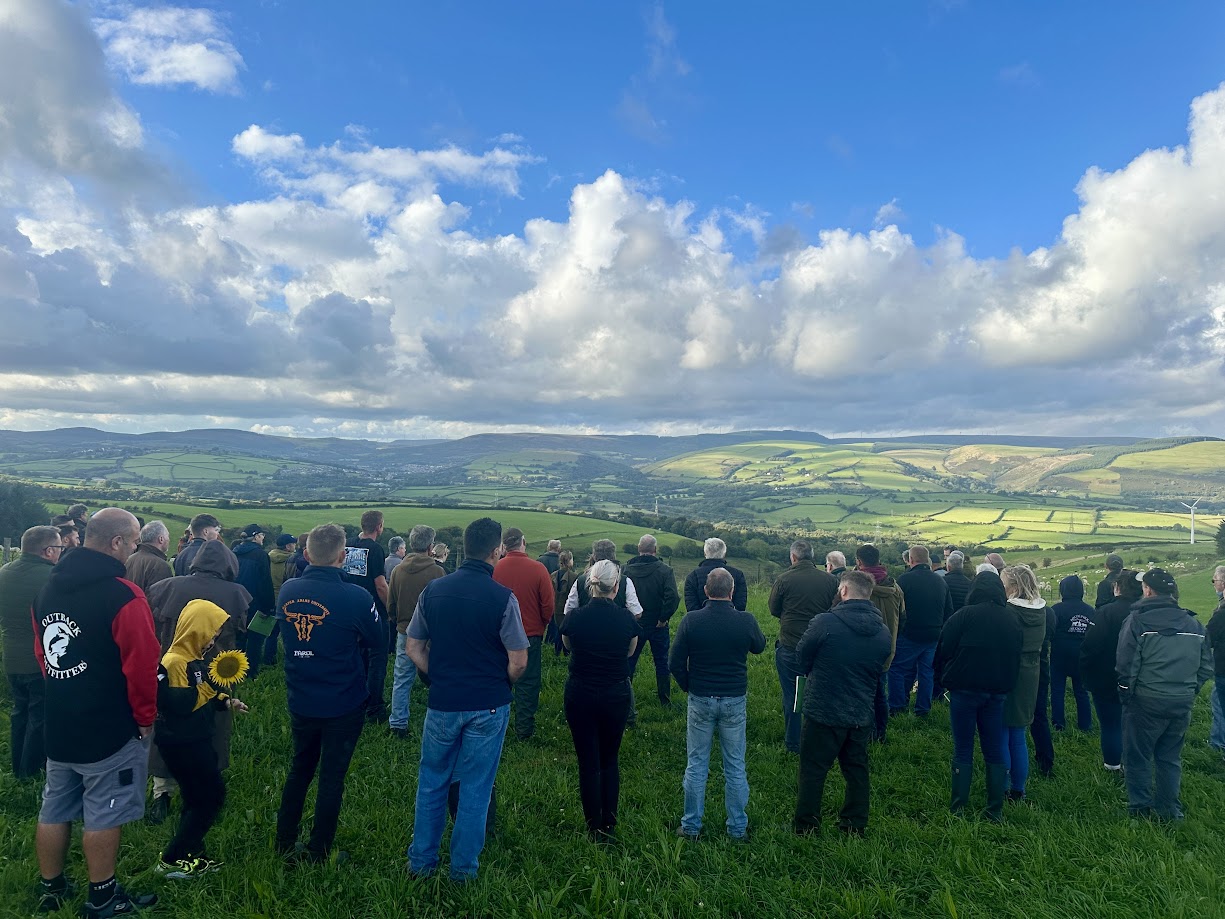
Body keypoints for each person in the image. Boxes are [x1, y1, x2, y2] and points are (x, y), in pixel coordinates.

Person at [33, 508, 160, 917]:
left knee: (54, 805)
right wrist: (144, 718)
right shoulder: (123, 595)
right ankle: (102, 897)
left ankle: (50, 888)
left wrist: (66, 686)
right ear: (117, 543)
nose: (137, 546)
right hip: (109, 725)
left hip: (60, 716)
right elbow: (141, 666)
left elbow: (43, 654)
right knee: (104, 810)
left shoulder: (47, 589)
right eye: (135, 540)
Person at [406, 517, 529, 881]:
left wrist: (438, 674)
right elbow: (519, 659)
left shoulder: (433, 591)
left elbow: (413, 646)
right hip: (488, 703)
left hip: (443, 701)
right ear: (496, 552)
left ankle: (421, 864)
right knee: (476, 787)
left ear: (463, 547)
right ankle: (462, 871)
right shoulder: (503, 598)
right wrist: (499, 681)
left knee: (432, 782)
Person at [275, 524, 384, 862]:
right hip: (343, 699)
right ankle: (319, 849)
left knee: (300, 769)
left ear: (306, 554)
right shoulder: (356, 597)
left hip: (301, 695)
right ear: (342, 556)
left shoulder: (289, 590)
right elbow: (379, 642)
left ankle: (283, 842)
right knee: (332, 776)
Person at [144, 540, 250, 824]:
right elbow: (241, 634)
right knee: (210, 730)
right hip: (213, 675)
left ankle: (161, 794)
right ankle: (203, 792)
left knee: (166, 726)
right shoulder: (236, 593)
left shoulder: (167, 586)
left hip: (171, 669)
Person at [153, 600, 249, 879]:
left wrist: (225, 701)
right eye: (210, 634)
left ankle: (191, 854)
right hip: (182, 743)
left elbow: (202, 693)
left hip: (195, 739)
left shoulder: (193, 661)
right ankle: (172, 859)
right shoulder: (173, 662)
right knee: (211, 797)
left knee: (196, 799)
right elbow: (180, 703)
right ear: (195, 630)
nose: (212, 641)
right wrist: (210, 691)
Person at [670, 568, 766, 842]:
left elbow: (674, 662)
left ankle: (690, 827)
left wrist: (689, 684)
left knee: (697, 763)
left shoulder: (692, 620)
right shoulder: (744, 620)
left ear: (706, 590)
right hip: (734, 697)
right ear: (732, 591)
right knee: (735, 764)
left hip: (701, 696)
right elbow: (759, 646)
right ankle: (737, 828)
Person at [793, 571, 892, 836]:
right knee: (857, 770)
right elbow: (880, 667)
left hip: (823, 708)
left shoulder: (825, 622)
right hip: (861, 711)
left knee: (813, 769)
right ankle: (854, 824)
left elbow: (801, 657)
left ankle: (806, 825)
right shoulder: (883, 631)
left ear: (844, 590)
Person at [1117, 568, 1213, 820]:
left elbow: (1126, 665)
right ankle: (1169, 810)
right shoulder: (1194, 624)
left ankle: (1140, 809)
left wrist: (1127, 695)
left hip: (1145, 702)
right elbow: (1206, 666)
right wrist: (1189, 690)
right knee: (1169, 758)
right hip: (1180, 703)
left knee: (1137, 757)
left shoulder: (1137, 621)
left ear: (1147, 590)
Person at [559, 559, 640, 840]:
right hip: (615, 693)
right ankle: (610, 821)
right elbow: (630, 653)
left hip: (580, 691)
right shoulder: (627, 619)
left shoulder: (575, 618)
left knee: (588, 761)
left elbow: (568, 645)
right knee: (609, 758)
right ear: (616, 587)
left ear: (589, 584)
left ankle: (594, 825)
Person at [933, 570, 1022, 821]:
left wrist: (944, 677)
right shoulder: (1011, 619)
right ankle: (995, 810)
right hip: (996, 692)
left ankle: (959, 807)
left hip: (964, 690)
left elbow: (944, 649)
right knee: (993, 749)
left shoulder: (963, 616)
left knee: (963, 748)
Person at [0, 526, 63, 779]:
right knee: (39, 716)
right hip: (39, 659)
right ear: (48, 551)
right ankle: (30, 771)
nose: (60, 553)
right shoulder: (53, 577)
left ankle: (18, 765)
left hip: (11, 658)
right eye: (59, 548)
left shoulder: (4, 572)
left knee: (19, 712)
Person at [768, 539, 839, 753]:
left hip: (791, 643)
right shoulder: (830, 580)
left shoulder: (784, 579)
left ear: (793, 557)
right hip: (821, 644)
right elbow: (836, 608)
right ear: (813, 556)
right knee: (820, 692)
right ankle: (821, 739)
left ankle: (793, 742)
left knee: (792, 694)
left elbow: (773, 608)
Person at [493, 528, 555, 741]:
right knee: (528, 683)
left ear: (504, 546)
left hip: (496, 634)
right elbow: (548, 605)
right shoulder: (538, 569)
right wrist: (541, 624)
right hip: (529, 634)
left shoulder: (494, 568)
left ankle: (493, 725)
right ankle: (524, 730)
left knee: (496, 677)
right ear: (523, 542)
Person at [1080, 569, 1142, 773]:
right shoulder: (1146, 612)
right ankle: (1135, 763)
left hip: (1106, 676)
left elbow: (1090, 645)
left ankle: (1113, 764)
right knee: (1134, 723)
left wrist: (1085, 668)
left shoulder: (1106, 612)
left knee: (1111, 723)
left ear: (1117, 588)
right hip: (1141, 677)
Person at [387, 525, 445, 738]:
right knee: (436, 674)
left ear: (411, 544)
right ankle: (439, 718)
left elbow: (390, 604)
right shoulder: (437, 571)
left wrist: (397, 620)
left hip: (404, 630)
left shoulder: (398, 570)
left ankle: (397, 723)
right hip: (431, 633)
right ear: (430, 546)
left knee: (401, 677)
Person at [1000, 565, 1049, 802]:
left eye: (1003, 584)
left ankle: (1002, 784)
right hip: (1031, 672)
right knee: (1018, 732)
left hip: (1008, 671)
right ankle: (1018, 789)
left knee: (1001, 731)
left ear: (1014, 588)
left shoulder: (1009, 612)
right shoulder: (1041, 610)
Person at [890, 545, 952, 717]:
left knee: (896, 669)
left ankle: (897, 706)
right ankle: (923, 709)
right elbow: (949, 611)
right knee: (926, 672)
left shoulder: (904, 580)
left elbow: (897, 610)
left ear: (910, 560)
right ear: (928, 560)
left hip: (910, 633)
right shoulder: (941, 581)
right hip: (933, 635)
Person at [623, 534, 681, 710]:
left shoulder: (626, 570)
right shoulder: (665, 570)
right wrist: (663, 618)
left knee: (629, 660)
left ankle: (626, 699)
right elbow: (672, 597)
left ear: (639, 549)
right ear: (655, 550)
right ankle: (664, 700)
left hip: (634, 622)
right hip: (658, 624)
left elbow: (621, 596)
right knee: (662, 662)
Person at [343, 511, 391, 722]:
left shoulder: (350, 545)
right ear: (379, 526)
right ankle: (375, 706)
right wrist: (391, 609)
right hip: (373, 611)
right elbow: (380, 584)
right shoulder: (376, 549)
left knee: (358, 657)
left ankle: (356, 698)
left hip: (351, 608)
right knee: (377, 659)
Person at [854, 544, 904, 743]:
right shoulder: (895, 586)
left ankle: (861, 732)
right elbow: (903, 616)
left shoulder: (857, 585)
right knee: (879, 692)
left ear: (859, 562)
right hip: (886, 646)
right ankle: (880, 733)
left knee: (859, 692)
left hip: (859, 648)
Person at [1050, 575, 1093, 731]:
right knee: (1082, 691)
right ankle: (1085, 724)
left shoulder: (1056, 609)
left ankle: (1058, 723)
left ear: (1063, 590)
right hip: (1081, 655)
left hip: (1060, 655)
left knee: (1057, 690)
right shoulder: (1089, 610)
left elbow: (1050, 631)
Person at [234, 524, 276, 677]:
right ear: (256, 536)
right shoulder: (260, 555)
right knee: (255, 641)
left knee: (238, 638)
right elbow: (265, 582)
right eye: (262, 535)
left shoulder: (234, 552)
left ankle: (235, 671)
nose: (263, 538)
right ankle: (250, 674)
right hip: (255, 602)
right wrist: (269, 606)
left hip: (237, 602)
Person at [683, 538, 748, 612]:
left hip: (700, 621)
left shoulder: (693, 576)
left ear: (705, 553)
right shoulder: (738, 575)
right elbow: (740, 605)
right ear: (724, 554)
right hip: (732, 621)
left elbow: (691, 606)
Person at [124, 521, 173, 594]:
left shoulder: (128, 559)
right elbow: (161, 598)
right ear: (161, 539)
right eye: (167, 536)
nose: (169, 540)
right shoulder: (160, 566)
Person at [1208, 566, 1225, 759]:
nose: (1214, 584)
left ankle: (1218, 743)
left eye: (1215, 581)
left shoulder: (1221, 612)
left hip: (1222, 667)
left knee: (1219, 704)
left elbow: (1209, 637)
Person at [551, 550, 579, 653]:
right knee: (567, 631)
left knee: (557, 631)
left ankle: (556, 652)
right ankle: (566, 652)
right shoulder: (574, 576)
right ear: (570, 560)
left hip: (555, 608)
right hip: (567, 609)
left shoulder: (553, 575)